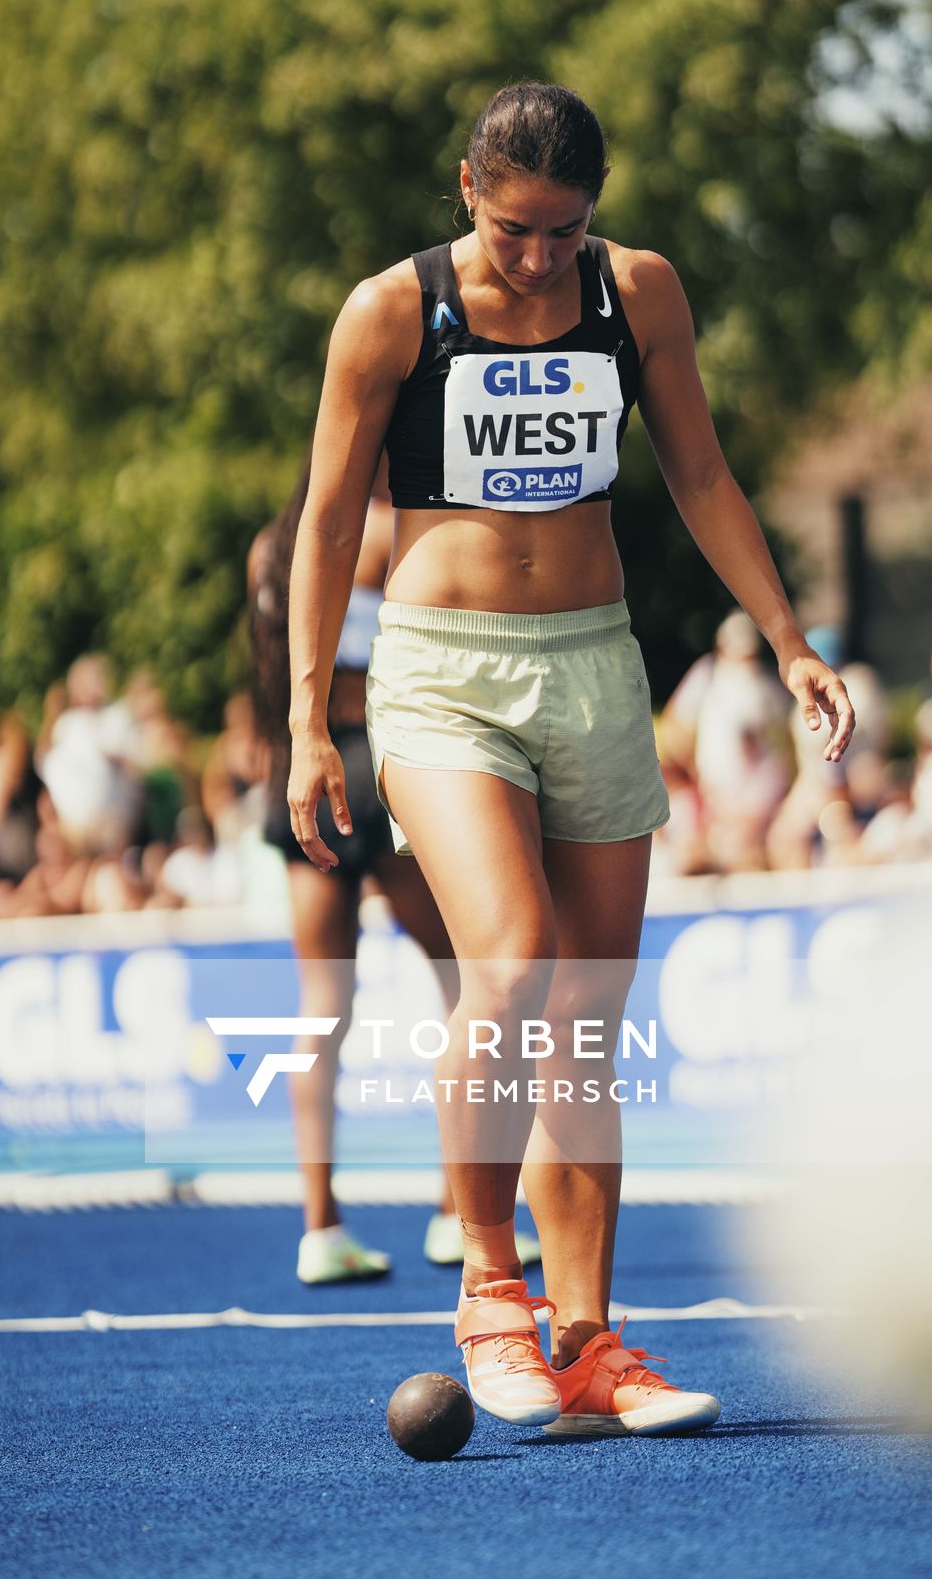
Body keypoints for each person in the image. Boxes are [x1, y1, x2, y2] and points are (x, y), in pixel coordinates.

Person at [286, 82, 853, 1435]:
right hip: (440, 675)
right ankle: (492, 1287)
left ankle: (593, 1347)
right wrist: (311, 717)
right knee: (516, 956)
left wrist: (788, 642)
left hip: (594, 664)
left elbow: (703, 477)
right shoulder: (390, 312)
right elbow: (321, 524)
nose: (541, 260)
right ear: (467, 188)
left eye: (568, 231)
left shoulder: (639, 293)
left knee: (583, 1021)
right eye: (519, 231)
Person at [253, 461, 540, 1284]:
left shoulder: (268, 549)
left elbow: (272, 672)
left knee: (320, 1009)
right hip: (382, 760)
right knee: (464, 978)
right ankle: (460, 1214)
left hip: (299, 764)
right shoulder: (383, 531)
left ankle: (320, 1228)